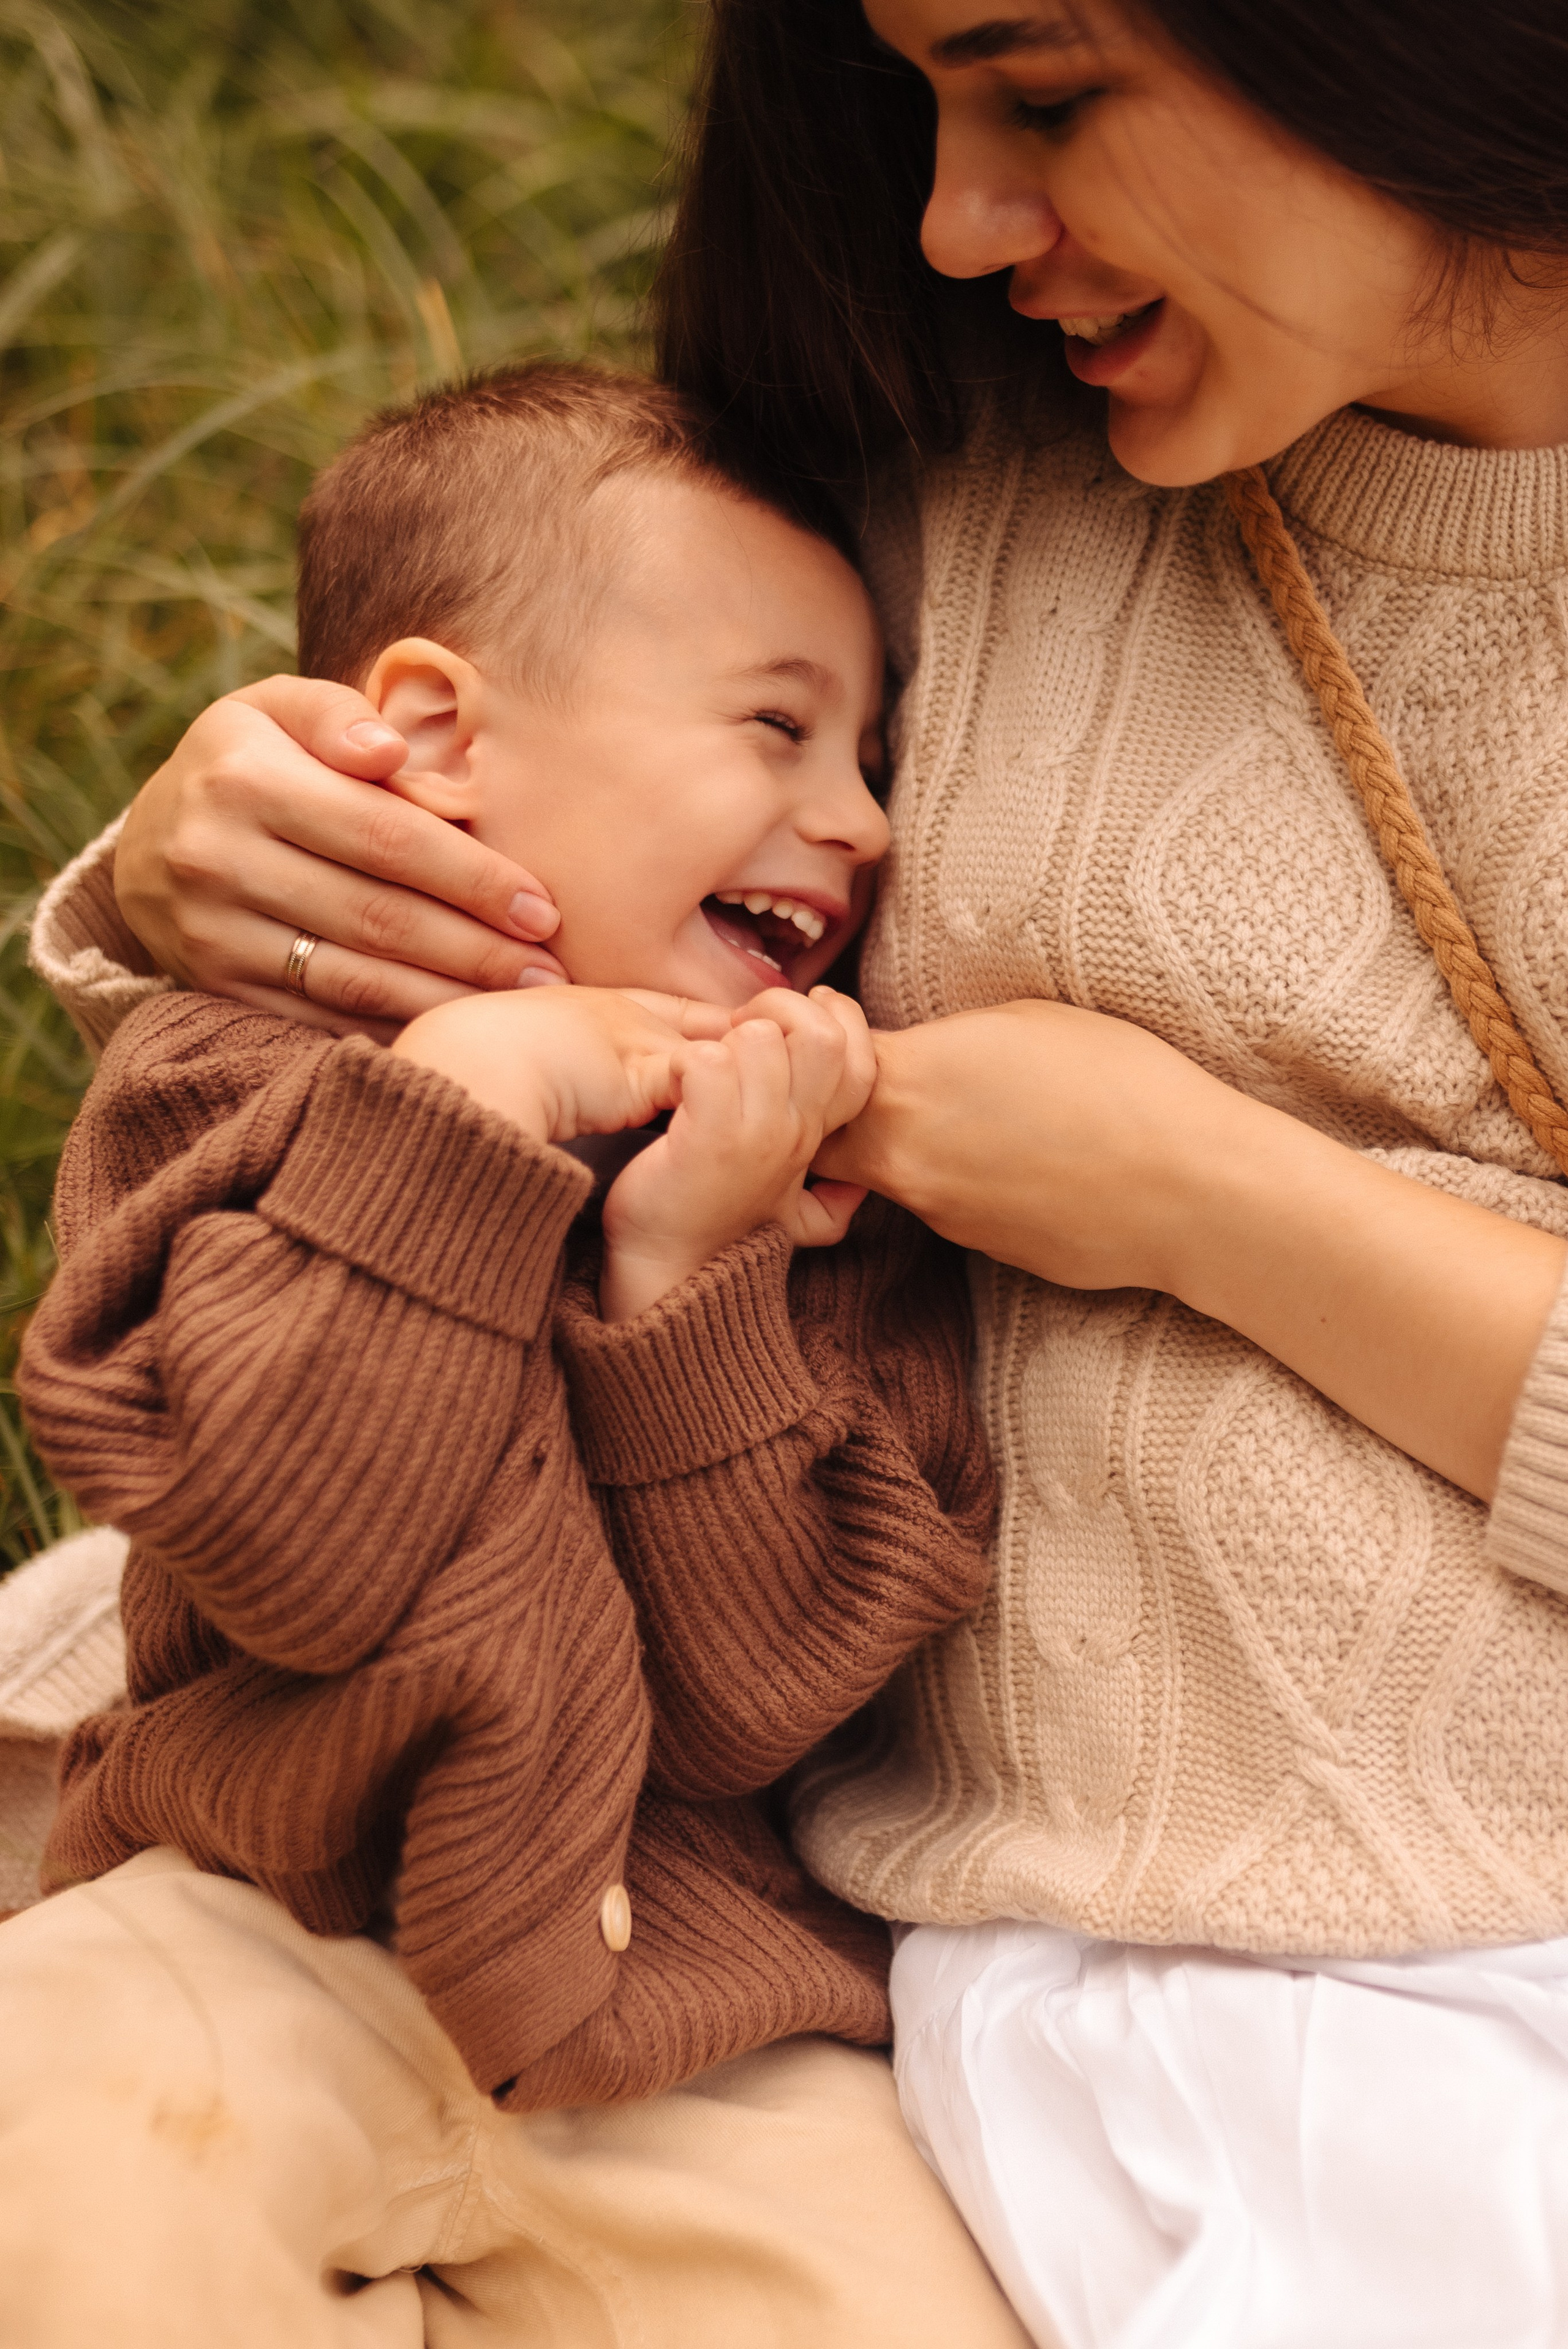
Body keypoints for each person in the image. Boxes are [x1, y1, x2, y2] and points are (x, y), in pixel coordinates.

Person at [26, 0, 1568, 2342]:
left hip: (1361, 2003)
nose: (954, 217)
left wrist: (1201, 1196)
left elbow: (768, 1621)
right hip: (774, 1882)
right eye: (922, 99)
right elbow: (546, 783)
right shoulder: (962, 420)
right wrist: (234, 869)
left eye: (1045, 95)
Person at [1, 365, 1031, 2348]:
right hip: (255, 1912)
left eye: (879, 753)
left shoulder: (810, 1193)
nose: (861, 820)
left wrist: (680, 1279)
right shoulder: (237, 1077)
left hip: (710, 2022)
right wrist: (466, 1105)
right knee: (73, 2172)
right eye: (778, 726)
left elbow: (760, 1706)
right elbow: (295, 1548)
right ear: (435, 736)